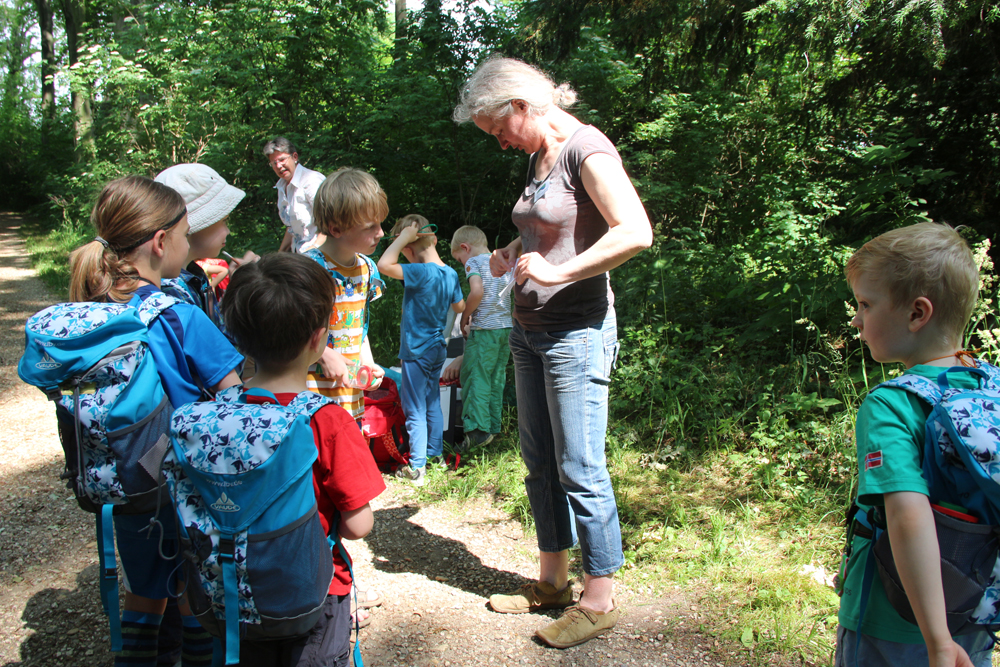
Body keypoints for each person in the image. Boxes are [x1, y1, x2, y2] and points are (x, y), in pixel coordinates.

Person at [453, 56, 653, 648]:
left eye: (498, 128)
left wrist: (560, 272)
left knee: (580, 467)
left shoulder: (586, 149)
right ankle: (552, 582)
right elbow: (552, 223)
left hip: (577, 332)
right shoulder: (541, 157)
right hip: (527, 329)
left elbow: (634, 232)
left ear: (520, 105)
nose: (499, 142)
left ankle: (599, 598)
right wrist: (512, 249)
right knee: (540, 462)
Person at [69, 176, 244, 667]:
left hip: (124, 479)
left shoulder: (96, 307)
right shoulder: (178, 313)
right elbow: (232, 396)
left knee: (145, 591)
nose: (190, 244)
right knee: (194, 592)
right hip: (180, 478)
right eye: (186, 234)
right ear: (161, 242)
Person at [836, 222, 994, 667]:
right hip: (974, 613)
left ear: (916, 313)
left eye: (866, 304)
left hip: (898, 623)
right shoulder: (990, 387)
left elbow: (908, 516)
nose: (857, 319)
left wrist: (937, 639)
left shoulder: (891, 404)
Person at [220, 253, 385, 667]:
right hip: (312, 591)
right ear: (318, 339)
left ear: (238, 337)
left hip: (231, 587)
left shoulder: (217, 411)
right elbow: (358, 525)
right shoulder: (327, 421)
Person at [378, 215, 465, 486]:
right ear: (435, 240)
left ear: (407, 248)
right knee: (431, 404)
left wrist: (403, 237)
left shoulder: (418, 272)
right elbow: (460, 307)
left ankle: (417, 468)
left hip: (416, 350)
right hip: (438, 348)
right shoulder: (450, 273)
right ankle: (435, 456)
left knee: (413, 407)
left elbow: (383, 265)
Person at [303, 167, 387, 421]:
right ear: (336, 229)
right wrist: (323, 354)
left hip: (349, 395)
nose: (381, 233)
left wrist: (368, 364)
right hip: (311, 394)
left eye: (380, 224)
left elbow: (359, 324)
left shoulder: (367, 269)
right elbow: (292, 328)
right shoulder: (310, 270)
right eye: (370, 227)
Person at [154, 163, 258, 336]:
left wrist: (238, 287)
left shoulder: (190, 280)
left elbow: (217, 332)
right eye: (224, 220)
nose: (228, 231)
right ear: (191, 227)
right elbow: (219, 355)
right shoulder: (172, 296)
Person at [450, 224, 512, 452]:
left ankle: (475, 433)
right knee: (496, 377)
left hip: (484, 330)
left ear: (465, 248)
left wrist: (465, 317)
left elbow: (476, 292)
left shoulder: (474, 263)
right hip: (505, 329)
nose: (462, 263)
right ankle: (492, 428)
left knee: (475, 377)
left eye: (459, 258)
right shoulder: (503, 262)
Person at [263, 136, 326, 253]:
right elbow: (292, 228)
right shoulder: (281, 187)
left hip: (322, 255)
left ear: (295, 157)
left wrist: (314, 250)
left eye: (282, 160)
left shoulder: (311, 181)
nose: (278, 166)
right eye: (274, 163)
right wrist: (279, 254)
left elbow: (331, 220)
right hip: (301, 255)